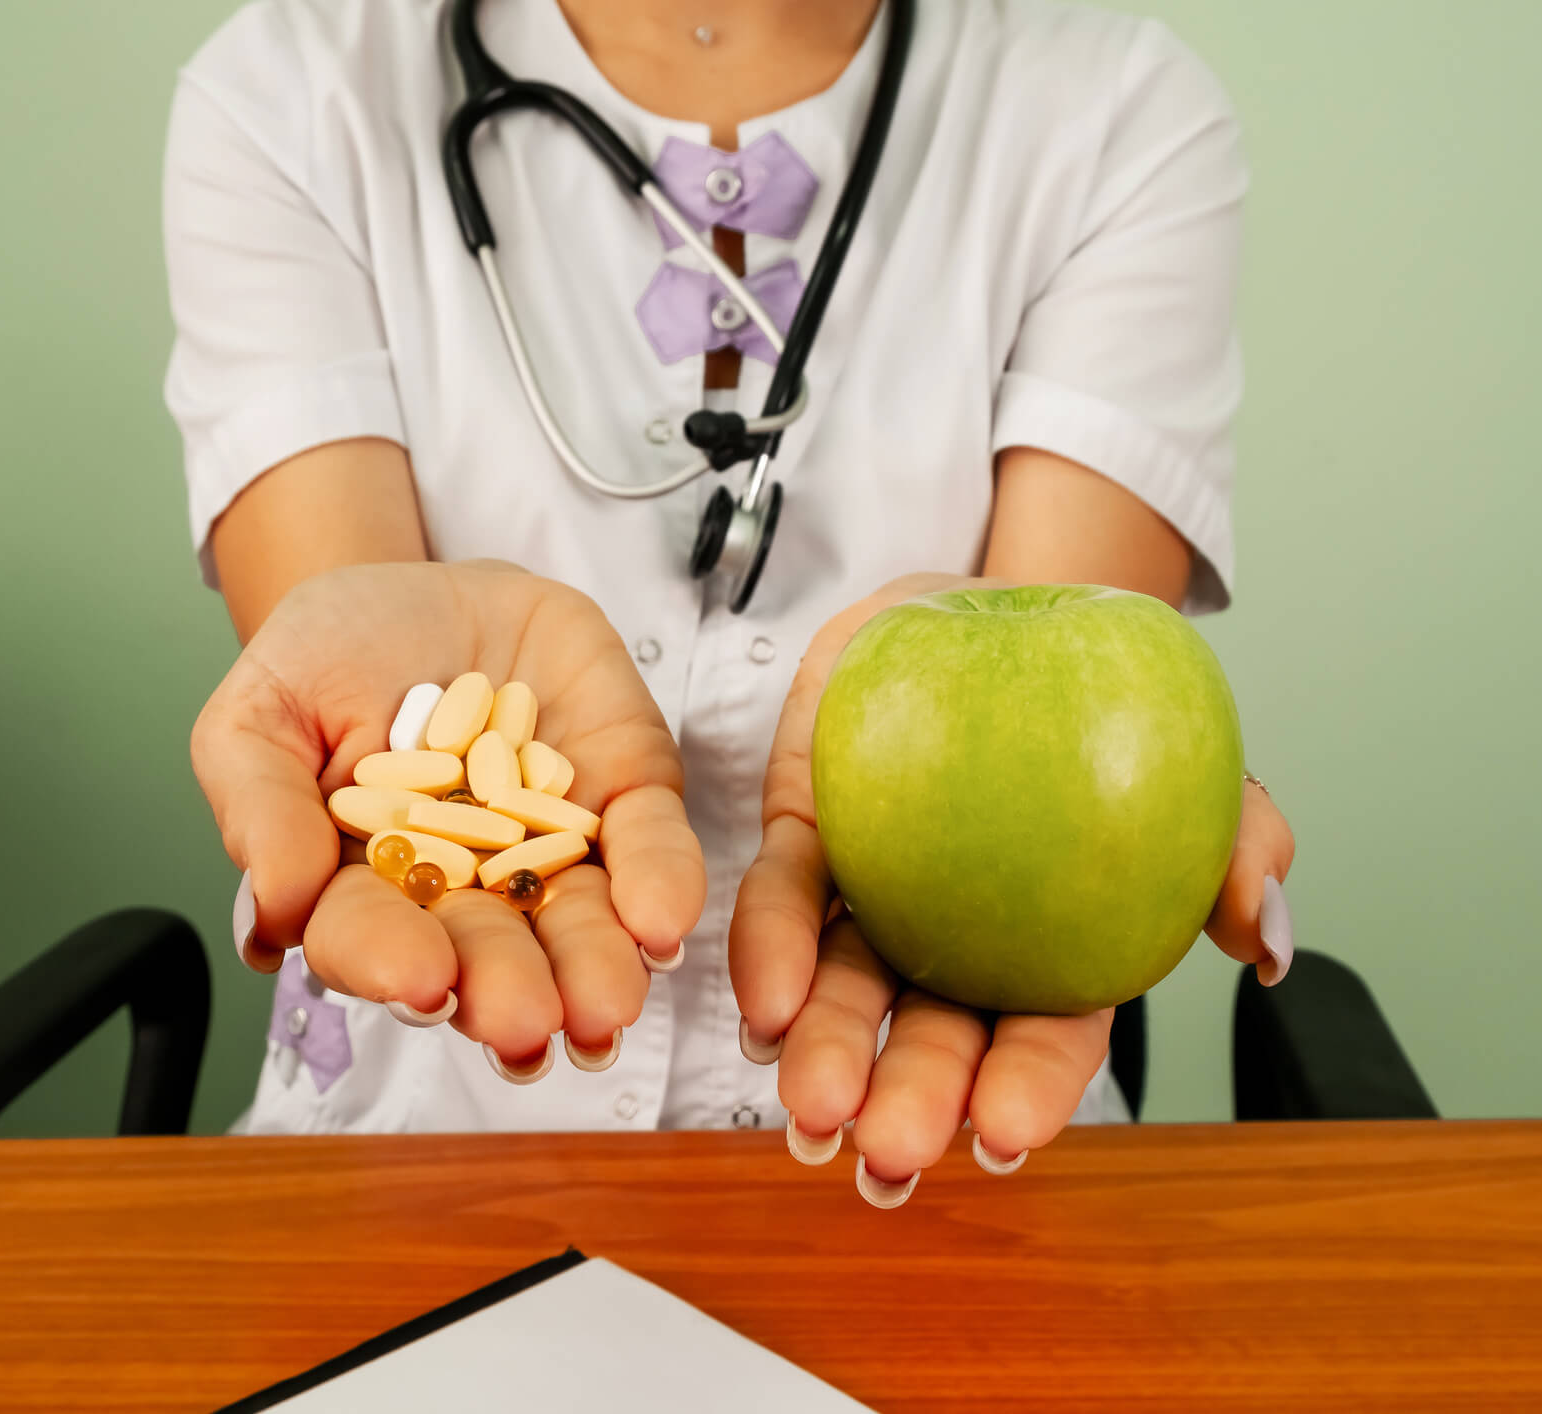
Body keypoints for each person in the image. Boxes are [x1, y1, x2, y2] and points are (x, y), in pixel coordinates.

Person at [166, 0, 1295, 1207]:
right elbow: (386, 714)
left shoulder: (1115, 110)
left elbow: (1063, 679)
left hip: (928, 1131)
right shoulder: (292, 91)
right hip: (422, 1128)